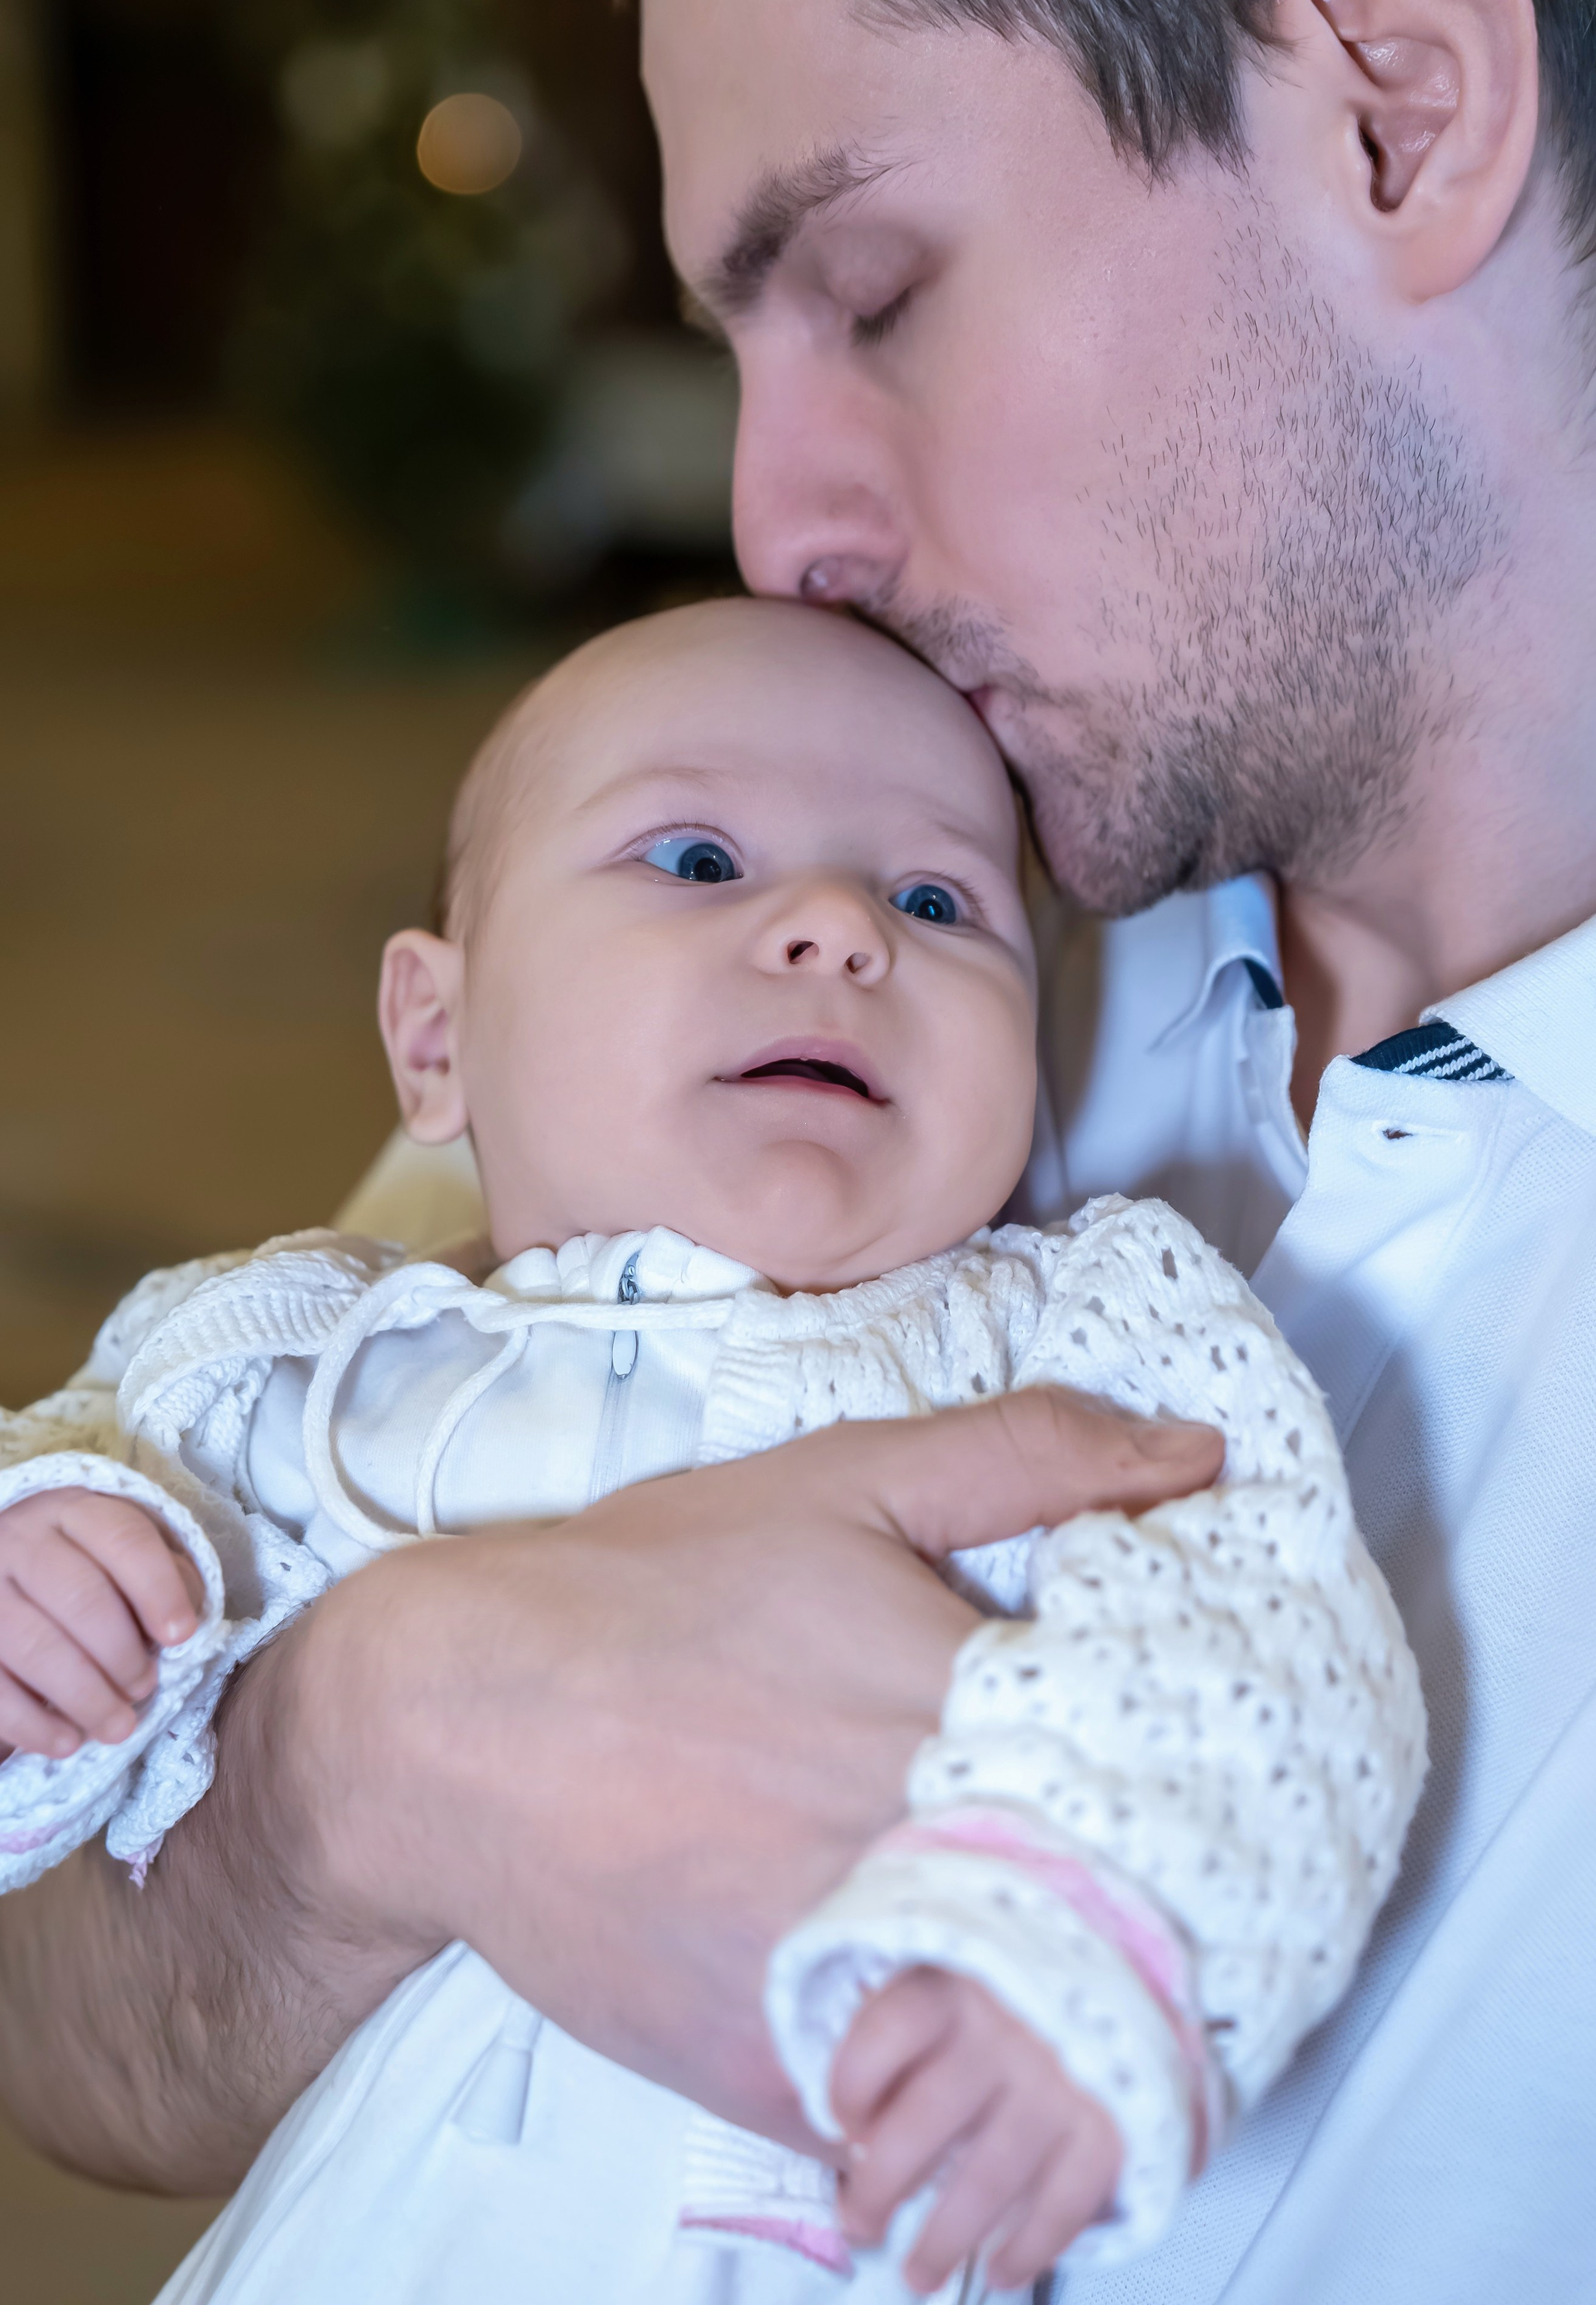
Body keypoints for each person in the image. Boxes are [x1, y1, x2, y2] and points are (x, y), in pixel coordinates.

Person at [2, 0, 1596, 2297]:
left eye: (874, 290)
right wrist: (404, 1737)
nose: (779, 534)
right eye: (730, 343)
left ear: (1393, 100)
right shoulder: (804, 927)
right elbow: (60, 2026)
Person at [0, 603, 1424, 2302]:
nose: (833, 928)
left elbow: (1264, 1650)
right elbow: (102, 1596)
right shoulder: (303, 1354)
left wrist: (1097, 1956)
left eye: (934, 901)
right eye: (694, 859)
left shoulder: (1077, 1333)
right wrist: (54, 1597)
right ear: (436, 1041)